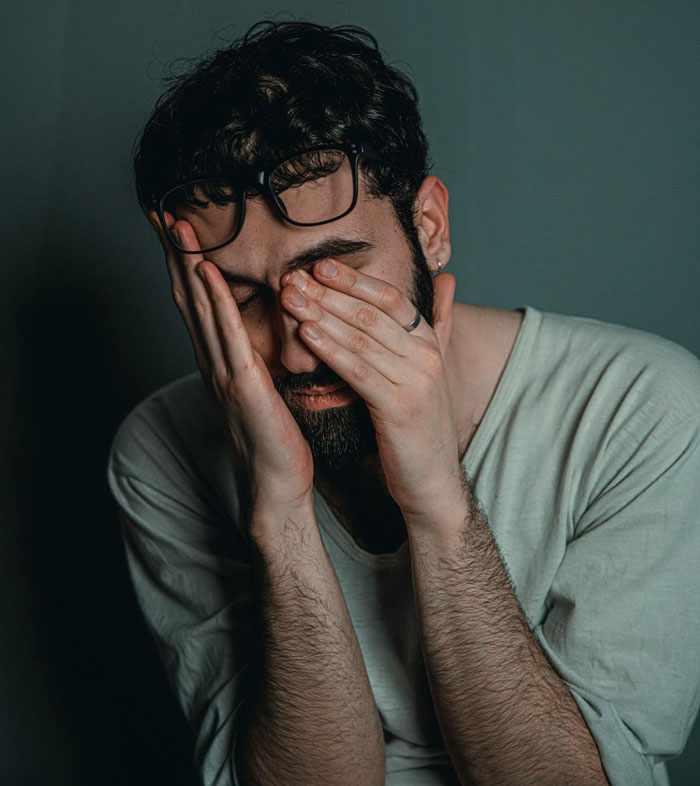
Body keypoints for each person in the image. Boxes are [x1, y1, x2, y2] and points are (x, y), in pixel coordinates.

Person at [106, 19, 700, 786]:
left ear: (429, 227)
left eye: (330, 275)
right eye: (243, 299)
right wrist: (280, 508)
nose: (295, 348)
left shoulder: (643, 409)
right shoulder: (161, 451)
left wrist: (440, 504)